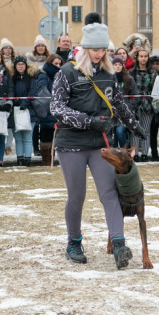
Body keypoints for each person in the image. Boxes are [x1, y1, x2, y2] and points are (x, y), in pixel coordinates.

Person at [50, 22, 145, 268]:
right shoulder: (67, 73)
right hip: (70, 142)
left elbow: (120, 104)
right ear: (84, 48)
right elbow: (57, 108)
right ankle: (74, 242)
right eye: (94, 49)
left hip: (98, 143)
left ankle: (119, 243)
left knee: (110, 192)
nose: (99, 53)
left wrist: (134, 126)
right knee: (77, 195)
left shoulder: (108, 74)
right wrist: (90, 121)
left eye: (103, 49)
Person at [36, 54, 63, 166]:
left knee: (56, 137)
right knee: (46, 137)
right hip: (47, 110)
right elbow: (42, 93)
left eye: (59, 64)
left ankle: (52, 160)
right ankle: (47, 161)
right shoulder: (44, 75)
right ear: (50, 63)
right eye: (55, 63)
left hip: (59, 110)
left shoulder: (61, 75)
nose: (58, 66)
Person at [11, 56, 39, 166]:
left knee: (28, 137)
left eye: (22, 64)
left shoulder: (32, 77)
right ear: (15, 66)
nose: (21, 66)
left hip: (29, 111)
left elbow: (32, 93)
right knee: (18, 138)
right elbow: (10, 92)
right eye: (18, 64)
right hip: (15, 111)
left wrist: (24, 103)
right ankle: (20, 159)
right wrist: (16, 103)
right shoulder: (12, 78)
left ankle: (27, 159)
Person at [130, 49, 156, 161]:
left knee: (146, 130)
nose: (143, 58)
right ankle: (134, 153)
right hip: (134, 104)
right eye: (141, 56)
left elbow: (155, 89)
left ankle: (144, 153)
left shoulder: (152, 73)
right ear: (137, 58)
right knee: (135, 130)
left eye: (145, 56)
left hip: (147, 104)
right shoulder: (131, 73)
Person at [112, 57, 136, 148]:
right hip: (111, 114)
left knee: (120, 131)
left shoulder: (129, 79)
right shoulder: (109, 79)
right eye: (115, 65)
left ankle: (125, 151)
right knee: (113, 137)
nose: (117, 67)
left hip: (124, 114)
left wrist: (127, 109)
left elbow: (134, 96)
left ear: (123, 66)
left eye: (119, 65)